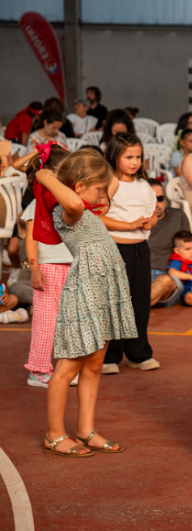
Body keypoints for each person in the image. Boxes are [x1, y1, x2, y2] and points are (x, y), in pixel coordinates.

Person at [38, 148, 136, 457]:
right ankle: (54, 434)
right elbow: (72, 199)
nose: (102, 196)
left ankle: (86, 429)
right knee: (69, 367)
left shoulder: (88, 208)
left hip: (102, 292)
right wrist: (45, 175)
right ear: (78, 187)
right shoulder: (72, 211)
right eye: (96, 189)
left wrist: (100, 181)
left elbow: (110, 183)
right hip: (84, 293)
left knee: (94, 364)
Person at [98, 133, 159, 375]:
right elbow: (99, 216)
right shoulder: (110, 183)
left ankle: (139, 353)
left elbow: (152, 212)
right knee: (114, 303)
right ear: (114, 156)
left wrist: (149, 222)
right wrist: (130, 225)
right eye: (128, 157)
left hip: (140, 249)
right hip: (116, 248)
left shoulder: (144, 186)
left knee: (139, 303)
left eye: (138, 157)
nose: (135, 162)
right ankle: (110, 355)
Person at [20, 143, 74, 387]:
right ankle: (38, 371)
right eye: (65, 171)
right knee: (46, 321)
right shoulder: (36, 203)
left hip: (73, 266)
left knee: (72, 319)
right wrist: (34, 268)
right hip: (48, 267)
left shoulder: (71, 201)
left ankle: (66, 370)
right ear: (49, 174)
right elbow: (30, 239)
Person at [147, 179, 189, 308]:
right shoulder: (134, 221)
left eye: (160, 198)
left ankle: (129, 312)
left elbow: (189, 249)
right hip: (140, 276)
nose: (156, 203)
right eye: (151, 199)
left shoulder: (177, 216)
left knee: (164, 282)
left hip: (167, 276)